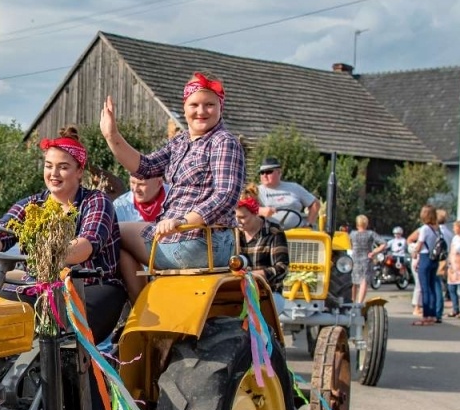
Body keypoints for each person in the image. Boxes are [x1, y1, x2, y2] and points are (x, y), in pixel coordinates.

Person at [0, 127, 124, 341]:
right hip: (39, 286)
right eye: (49, 166)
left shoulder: (96, 201)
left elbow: (87, 244)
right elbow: (1, 233)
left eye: (63, 167)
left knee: (57, 330)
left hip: (91, 286)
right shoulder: (33, 205)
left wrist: (48, 254)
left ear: (79, 171)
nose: (54, 174)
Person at [100, 73, 244, 301]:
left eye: (209, 104)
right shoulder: (180, 141)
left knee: (110, 232)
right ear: (184, 107)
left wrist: (184, 221)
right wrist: (112, 136)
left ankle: (140, 306)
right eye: (194, 105)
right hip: (182, 238)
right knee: (114, 236)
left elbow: (226, 195)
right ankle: (142, 306)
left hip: (200, 243)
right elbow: (145, 167)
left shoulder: (223, 142)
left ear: (220, 107)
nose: (201, 111)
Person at [233, 196, 289, 293]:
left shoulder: (274, 232)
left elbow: (282, 268)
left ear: (255, 213)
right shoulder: (232, 232)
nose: (237, 221)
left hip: (268, 293)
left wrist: (252, 276)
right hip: (236, 292)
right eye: (235, 217)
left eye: (242, 217)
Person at [255, 159, 319, 230]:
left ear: (279, 172)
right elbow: (246, 209)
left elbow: (315, 203)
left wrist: (308, 224)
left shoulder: (294, 187)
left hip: (297, 232)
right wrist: (260, 210)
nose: (264, 175)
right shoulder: (256, 191)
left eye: (268, 172)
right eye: (262, 172)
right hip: (270, 233)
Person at [406, 206, 443, 325]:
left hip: (425, 257)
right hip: (434, 258)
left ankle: (426, 316)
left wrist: (414, 252)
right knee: (432, 287)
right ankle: (432, 315)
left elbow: (420, 244)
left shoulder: (424, 229)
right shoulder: (436, 229)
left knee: (424, 288)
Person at [347, 214, 384, 302]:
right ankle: (360, 302)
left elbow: (348, 245)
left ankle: (352, 301)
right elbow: (383, 243)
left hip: (354, 259)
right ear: (366, 224)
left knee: (353, 281)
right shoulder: (371, 234)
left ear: (357, 224)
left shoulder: (352, 234)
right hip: (366, 260)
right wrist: (374, 252)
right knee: (363, 281)